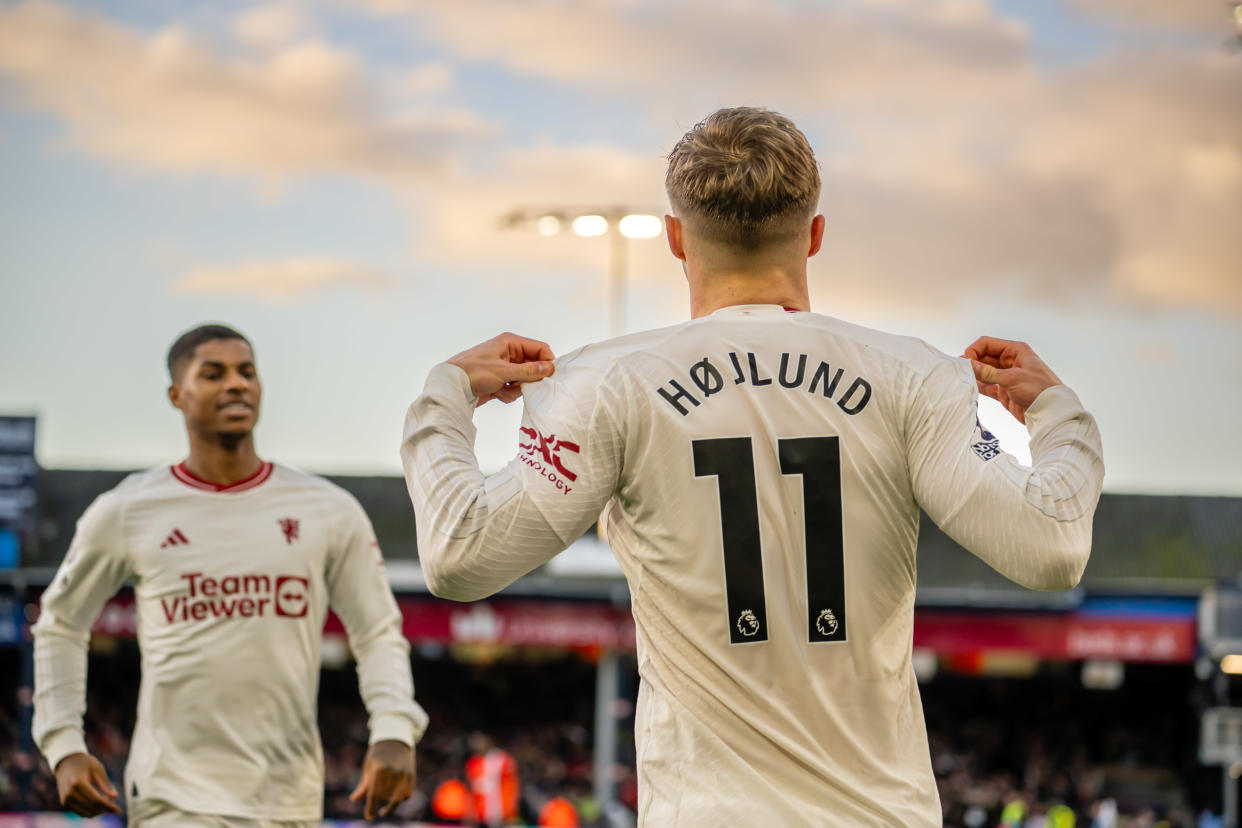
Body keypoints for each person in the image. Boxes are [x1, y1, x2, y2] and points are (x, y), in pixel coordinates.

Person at [401, 107, 1104, 826]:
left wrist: (445, 398)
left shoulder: (609, 384)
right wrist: (1055, 412)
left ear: (676, 239)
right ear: (815, 234)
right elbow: (1052, 547)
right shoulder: (913, 377)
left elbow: (460, 555)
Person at [33, 324, 428, 824]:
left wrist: (394, 728)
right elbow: (60, 623)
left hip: (288, 800)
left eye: (247, 372)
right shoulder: (127, 510)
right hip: (171, 798)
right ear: (177, 395)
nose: (236, 384)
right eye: (213, 374)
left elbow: (376, 630)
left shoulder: (328, 510)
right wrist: (64, 744)